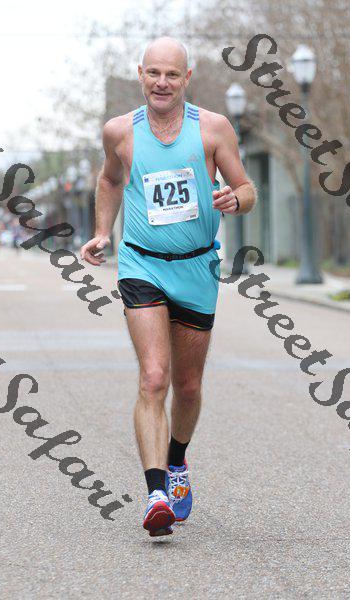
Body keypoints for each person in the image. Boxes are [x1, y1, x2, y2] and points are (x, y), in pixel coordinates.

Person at [81, 36, 257, 537]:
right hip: (141, 264)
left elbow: (247, 189)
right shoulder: (120, 131)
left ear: (186, 78)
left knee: (189, 385)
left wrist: (236, 200)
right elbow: (110, 180)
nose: (162, 83)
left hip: (197, 267)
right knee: (154, 378)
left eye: (172, 74)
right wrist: (102, 231)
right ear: (141, 74)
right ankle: (156, 492)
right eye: (153, 73)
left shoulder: (213, 129)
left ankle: (176, 461)